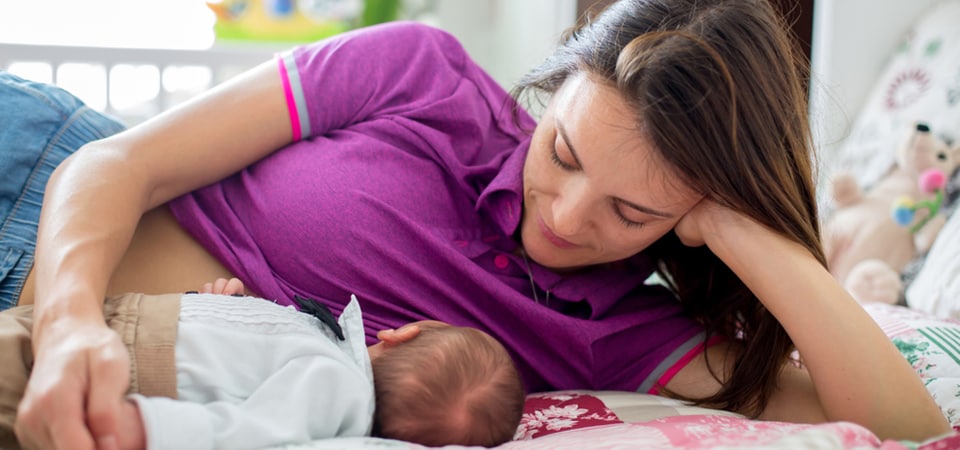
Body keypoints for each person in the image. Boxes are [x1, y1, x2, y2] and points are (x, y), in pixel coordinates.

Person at [0, 0, 950, 447]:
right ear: (558, 83)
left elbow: (906, 423)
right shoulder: (424, 73)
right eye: (565, 154)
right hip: (42, 176)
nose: (568, 218)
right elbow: (119, 161)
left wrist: (745, 229)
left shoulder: (623, 339)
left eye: (632, 210)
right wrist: (71, 320)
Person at [0, 279, 525, 449]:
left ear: (405, 332)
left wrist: (144, 428)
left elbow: (244, 433)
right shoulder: (326, 352)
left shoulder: (336, 386)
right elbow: (244, 357)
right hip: (119, 330)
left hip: (122, 363)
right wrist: (226, 302)